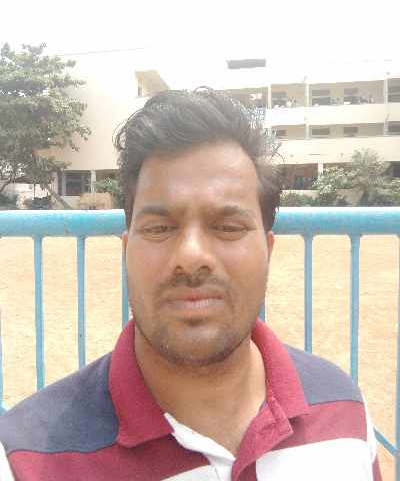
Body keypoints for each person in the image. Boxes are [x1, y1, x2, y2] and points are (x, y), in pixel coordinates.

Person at [0, 89, 381, 480]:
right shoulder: (25, 461)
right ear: (127, 250)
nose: (192, 255)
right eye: (159, 227)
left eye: (228, 227)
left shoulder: (344, 413)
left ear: (268, 250)